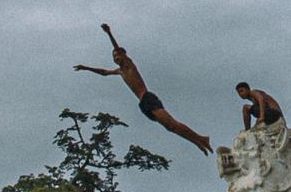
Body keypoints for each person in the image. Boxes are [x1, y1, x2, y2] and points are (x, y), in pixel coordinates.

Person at [74, 25, 214, 156]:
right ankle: (198, 141)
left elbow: (117, 48)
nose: (116, 58)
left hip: (148, 98)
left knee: (172, 123)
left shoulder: (128, 65)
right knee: (170, 127)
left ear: (123, 55)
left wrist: (109, 33)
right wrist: (86, 68)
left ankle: (201, 138)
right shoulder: (119, 71)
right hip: (143, 103)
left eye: (117, 55)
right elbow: (104, 72)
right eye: (114, 57)